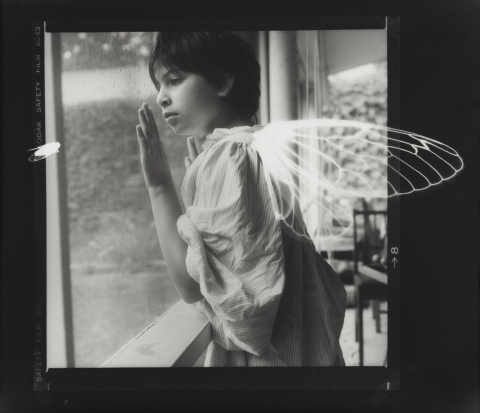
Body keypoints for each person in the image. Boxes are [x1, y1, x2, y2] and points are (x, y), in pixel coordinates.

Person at [136, 31, 347, 367]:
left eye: (174, 80)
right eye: (159, 85)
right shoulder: (257, 148)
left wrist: (159, 185)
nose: (161, 97)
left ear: (222, 83)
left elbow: (192, 287)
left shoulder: (230, 157)